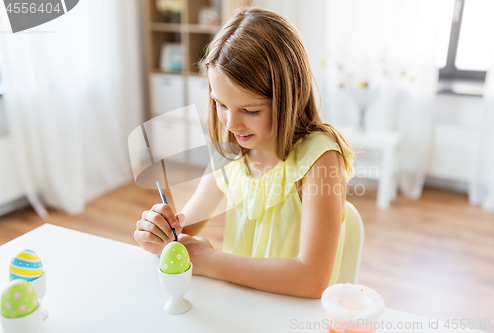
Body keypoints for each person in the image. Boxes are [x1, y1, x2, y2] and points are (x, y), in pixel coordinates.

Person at [134, 7, 355, 299]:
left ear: (293, 93)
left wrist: (210, 260)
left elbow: (312, 279)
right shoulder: (230, 154)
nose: (231, 123)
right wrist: (159, 233)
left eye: (250, 110)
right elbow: (183, 228)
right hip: (243, 306)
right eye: (221, 104)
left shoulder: (320, 159)